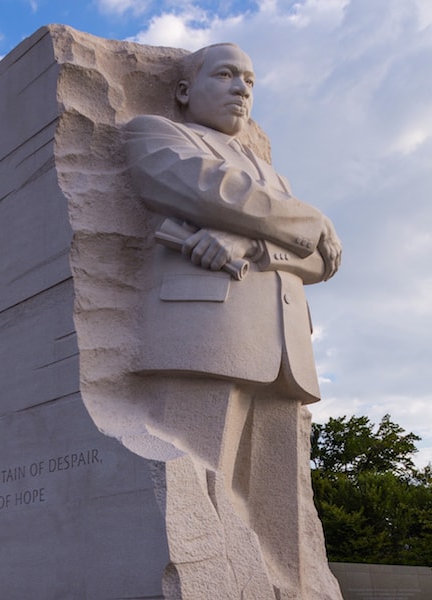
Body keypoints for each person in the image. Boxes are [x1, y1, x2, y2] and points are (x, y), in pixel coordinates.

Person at [123, 43, 343, 600]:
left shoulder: (272, 174)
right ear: (183, 90)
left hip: (284, 345)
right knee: (196, 488)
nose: (243, 88)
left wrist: (250, 241)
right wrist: (310, 219)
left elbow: (325, 259)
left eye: (249, 79)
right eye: (225, 75)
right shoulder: (155, 133)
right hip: (206, 331)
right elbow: (204, 188)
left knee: (282, 516)